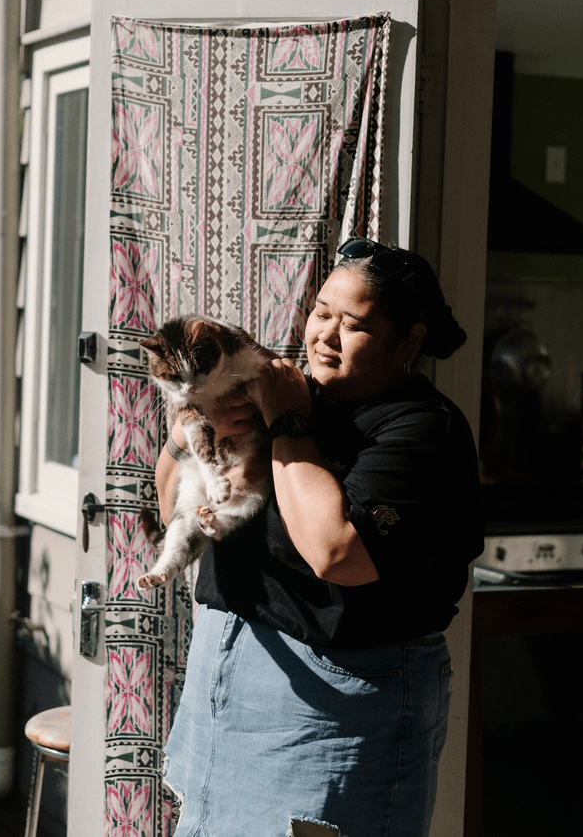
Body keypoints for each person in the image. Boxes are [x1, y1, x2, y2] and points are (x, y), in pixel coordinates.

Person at [155, 237, 483, 837]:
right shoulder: (279, 392)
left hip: (334, 706)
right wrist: (191, 425)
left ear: (409, 342)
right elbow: (173, 498)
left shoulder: (422, 431)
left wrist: (286, 421)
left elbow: (337, 552)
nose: (324, 336)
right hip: (227, 677)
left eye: (352, 324)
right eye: (321, 313)